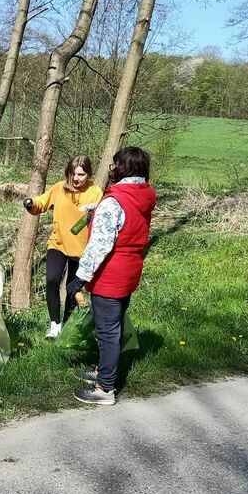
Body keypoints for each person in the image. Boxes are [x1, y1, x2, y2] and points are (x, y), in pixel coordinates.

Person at [66, 147, 156, 406]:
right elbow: (127, 225)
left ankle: (105, 387)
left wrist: (80, 277)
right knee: (112, 325)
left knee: (107, 331)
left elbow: (100, 245)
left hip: (110, 273)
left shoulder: (114, 201)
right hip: (130, 269)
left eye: (115, 164)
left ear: (123, 168)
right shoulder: (142, 196)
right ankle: (104, 370)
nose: (111, 168)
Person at [23, 155, 103, 339]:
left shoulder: (95, 192)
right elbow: (41, 202)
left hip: (82, 249)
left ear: (88, 174)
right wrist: (31, 203)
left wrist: (94, 213)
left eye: (81, 174)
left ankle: (68, 323)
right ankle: (54, 324)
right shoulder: (59, 188)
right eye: (73, 173)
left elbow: (102, 218)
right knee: (52, 279)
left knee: (72, 288)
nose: (76, 178)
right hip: (58, 243)